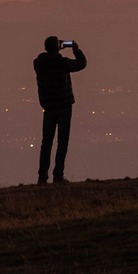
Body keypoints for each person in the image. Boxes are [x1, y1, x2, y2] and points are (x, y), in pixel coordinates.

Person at [32, 36, 87, 184]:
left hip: (48, 108)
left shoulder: (38, 63)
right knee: (62, 142)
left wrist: (55, 50)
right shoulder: (61, 62)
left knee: (46, 143)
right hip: (63, 106)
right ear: (57, 47)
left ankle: (42, 177)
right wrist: (76, 50)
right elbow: (81, 64)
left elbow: (46, 60)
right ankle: (58, 175)